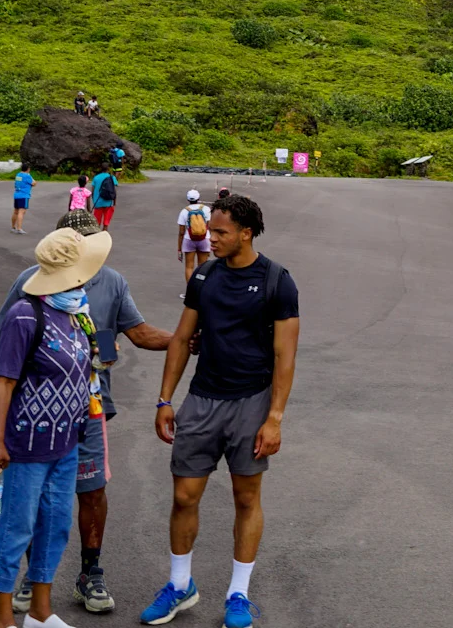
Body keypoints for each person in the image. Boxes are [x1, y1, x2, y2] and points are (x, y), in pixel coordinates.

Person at [0, 209, 175, 616]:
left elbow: (136, 335)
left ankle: (89, 572)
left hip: (86, 410)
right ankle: (28, 583)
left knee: (85, 494)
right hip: (35, 418)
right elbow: (1, 351)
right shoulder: (30, 285)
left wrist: (185, 339)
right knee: (31, 505)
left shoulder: (111, 281)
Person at [141, 194, 300, 628]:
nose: (208, 238)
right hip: (202, 400)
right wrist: (164, 399)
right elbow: (180, 339)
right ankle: (179, 585)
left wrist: (275, 418)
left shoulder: (277, 281)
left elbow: (286, 357)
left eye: (220, 232)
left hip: (252, 402)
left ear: (246, 233)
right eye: (210, 230)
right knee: (183, 496)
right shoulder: (204, 277)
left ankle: (238, 595)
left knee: (246, 498)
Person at [0, 228, 102, 628]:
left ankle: (40, 612)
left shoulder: (74, 314)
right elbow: (4, 381)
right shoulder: (24, 316)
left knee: (55, 527)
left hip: (66, 443)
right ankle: (3, 619)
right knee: (17, 530)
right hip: (27, 446)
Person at [177, 190, 209, 282]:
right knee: (202, 267)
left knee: (189, 267)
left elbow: (181, 232)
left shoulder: (184, 211)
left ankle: (191, 292)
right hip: (204, 239)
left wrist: (179, 249)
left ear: (188, 199)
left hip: (189, 239)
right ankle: (201, 290)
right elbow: (210, 227)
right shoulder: (206, 209)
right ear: (198, 198)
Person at [90, 162, 120, 230]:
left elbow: (92, 191)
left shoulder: (96, 178)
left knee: (97, 223)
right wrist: (114, 202)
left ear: (101, 168)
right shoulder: (112, 177)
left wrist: (94, 200)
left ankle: (97, 236)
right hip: (109, 202)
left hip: (98, 202)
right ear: (108, 169)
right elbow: (114, 190)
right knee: (106, 223)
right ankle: (105, 234)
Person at [11, 165, 36, 235]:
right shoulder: (27, 176)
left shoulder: (18, 175)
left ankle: (13, 227)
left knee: (16, 211)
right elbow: (34, 183)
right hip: (24, 195)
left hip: (17, 194)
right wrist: (30, 176)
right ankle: (19, 228)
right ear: (28, 169)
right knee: (21, 212)